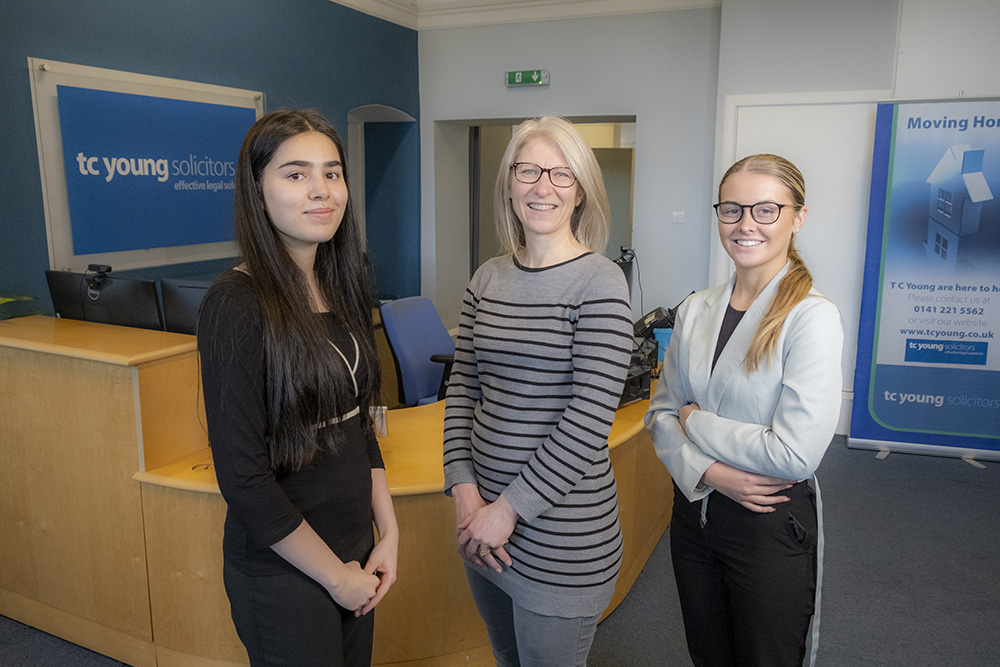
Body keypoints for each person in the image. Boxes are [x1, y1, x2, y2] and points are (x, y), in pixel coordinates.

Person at [198, 109, 398, 667]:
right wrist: (336, 577)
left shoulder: (343, 282)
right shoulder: (235, 305)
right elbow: (243, 479)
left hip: (356, 554)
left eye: (332, 173)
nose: (321, 191)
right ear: (257, 191)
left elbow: (361, 426)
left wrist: (389, 531)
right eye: (295, 174)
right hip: (286, 571)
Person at [442, 116, 633, 667]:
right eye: (528, 170)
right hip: (482, 529)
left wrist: (508, 510)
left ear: (580, 193)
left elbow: (589, 417)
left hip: (560, 540)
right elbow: (461, 390)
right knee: (506, 657)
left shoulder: (600, 282)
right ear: (509, 182)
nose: (542, 186)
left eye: (561, 174)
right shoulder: (487, 278)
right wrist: (464, 490)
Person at [645, 154, 842, 667]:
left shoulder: (811, 318)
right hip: (693, 512)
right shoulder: (695, 309)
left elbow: (793, 454)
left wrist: (696, 422)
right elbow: (659, 414)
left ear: (798, 217)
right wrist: (711, 471)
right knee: (708, 654)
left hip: (768, 522)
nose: (745, 224)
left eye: (766, 210)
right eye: (731, 209)